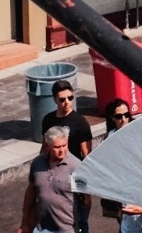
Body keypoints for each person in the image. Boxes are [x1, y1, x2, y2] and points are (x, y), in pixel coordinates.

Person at [41, 80, 94, 231]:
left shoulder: (80, 123)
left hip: (73, 176)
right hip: (52, 176)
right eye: (62, 99)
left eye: (70, 98)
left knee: (77, 221)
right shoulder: (48, 120)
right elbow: (44, 148)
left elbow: (87, 157)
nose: (67, 102)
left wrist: (87, 192)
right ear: (54, 100)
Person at [20, 126, 81, 233]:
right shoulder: (37, 163)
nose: (62, 150)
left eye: (64, 145)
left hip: (67, 230)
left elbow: (86, 200)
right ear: (48, 146)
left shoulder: (76, 166)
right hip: (41, 228)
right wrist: (24, 223)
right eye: (57, 147)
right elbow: (30, 193)